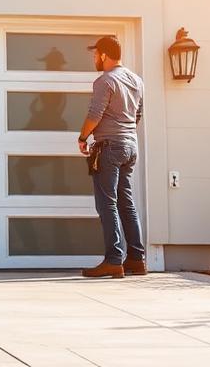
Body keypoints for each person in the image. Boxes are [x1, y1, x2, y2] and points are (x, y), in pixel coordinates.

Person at [77, 35, 146, 278]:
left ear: (104, 55)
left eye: (95, 54)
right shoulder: (136, 80)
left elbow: (95, 114)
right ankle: (137, 259)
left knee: (107, 203)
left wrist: (83, 137)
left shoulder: (105, 81)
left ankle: (114, 259)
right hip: (130, 147)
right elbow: (138, 114)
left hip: (109, 147)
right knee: (125, 201)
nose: (94, 58)